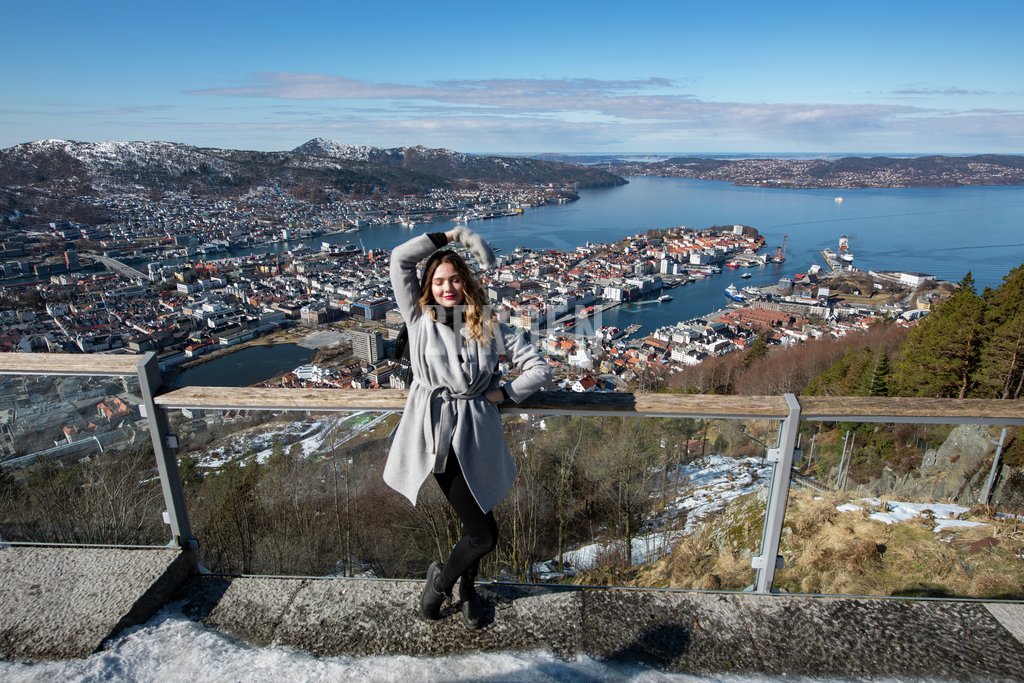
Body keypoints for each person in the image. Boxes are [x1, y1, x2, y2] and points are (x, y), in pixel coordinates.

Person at [383, 227, 550, 629]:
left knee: (475, 520)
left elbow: (539, 368)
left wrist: (503, 394)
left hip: (478, 437)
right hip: (434, 436)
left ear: (466, 282)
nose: (447, 287)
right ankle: (440, 583)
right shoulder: (418, 318)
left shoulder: (489, 324)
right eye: (438, 281)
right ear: (428, 286)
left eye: (454, 279)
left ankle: (467, 590)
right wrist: (452, 235)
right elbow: (399, 260)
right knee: (483, 535)